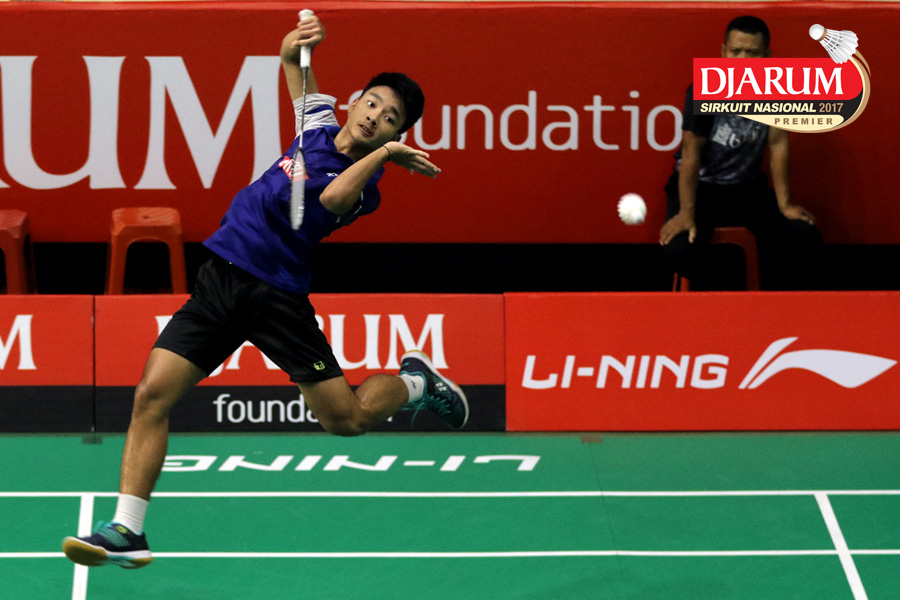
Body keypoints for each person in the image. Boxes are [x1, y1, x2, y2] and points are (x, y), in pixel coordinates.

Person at [62, 14, 467, 569]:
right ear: (354, 101)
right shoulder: (316, 127)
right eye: (372, 103)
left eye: (390, 119)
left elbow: (329, 200)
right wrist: (298, 44)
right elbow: (293, 67)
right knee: (151, 395)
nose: (375, 116)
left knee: (346, 420)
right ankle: (128, 530)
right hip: (220, 279)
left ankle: (416, 382)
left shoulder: (366, 185)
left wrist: (385, 157)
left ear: (396, 136)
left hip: (275, 298)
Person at [659, 15, 823, 290]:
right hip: (700, 190)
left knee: (804, 235)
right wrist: (686, 212)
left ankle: (781, 309)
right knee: (678, 251)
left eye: (752, 53)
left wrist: (784, 204)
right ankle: (717, 303)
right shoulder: (704, 90)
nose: (743, 60)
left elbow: (778, 144)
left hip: (746, 190)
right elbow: (690, 153)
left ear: (767, 56)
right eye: (736, 51)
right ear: (723, 52)